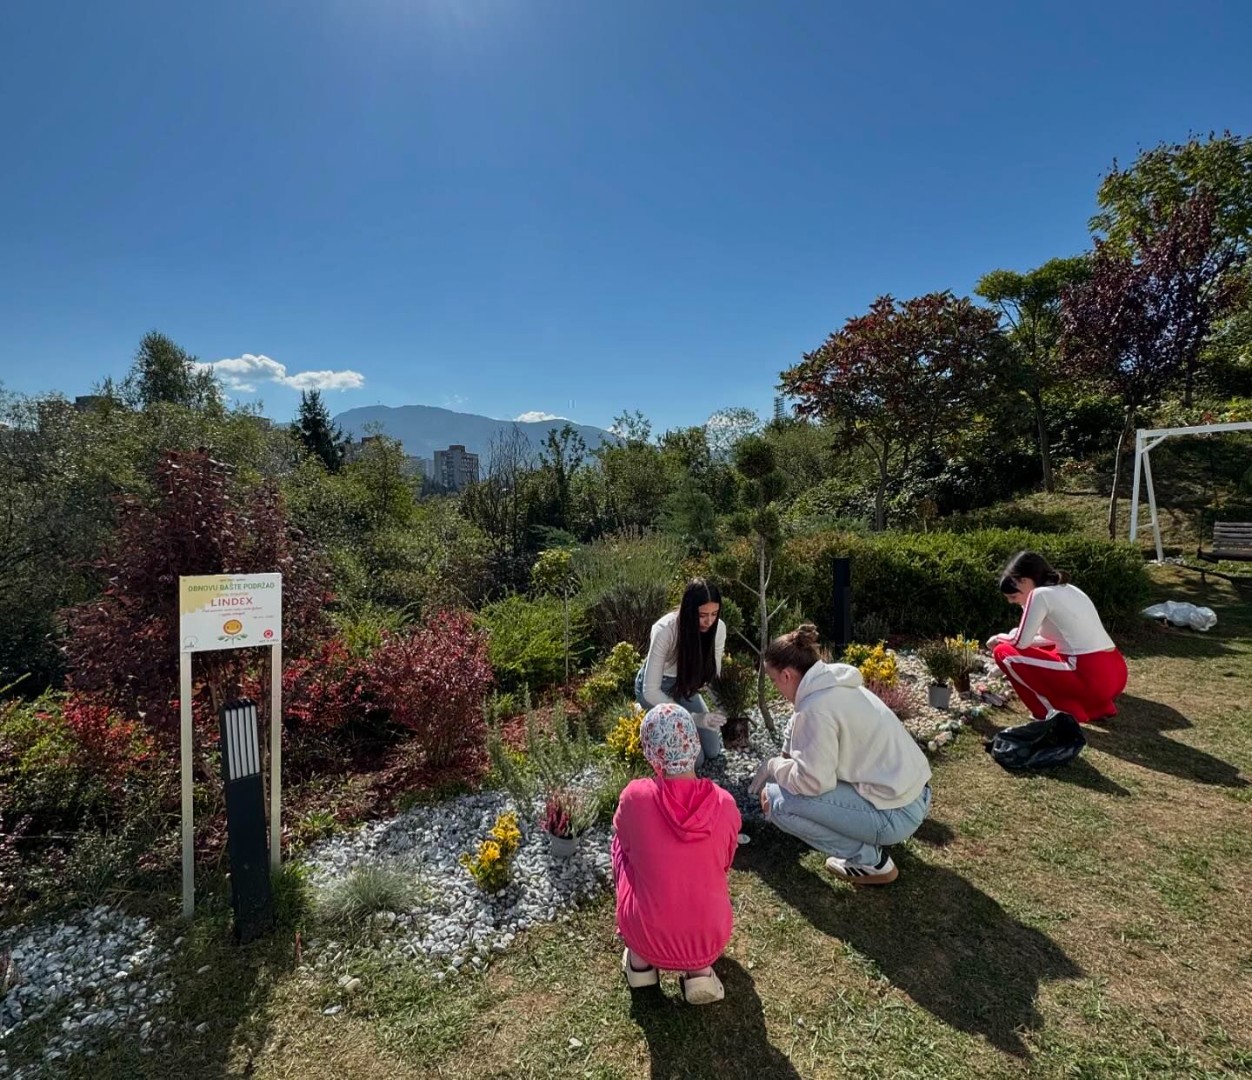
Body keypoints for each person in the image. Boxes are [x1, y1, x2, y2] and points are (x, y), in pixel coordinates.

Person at [747, 624, 932, 886]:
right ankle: (867, 838)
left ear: (786, 675)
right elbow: (800, 729)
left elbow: (813, 783)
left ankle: (869, 860)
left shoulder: (815, 710)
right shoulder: (835, 684)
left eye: (774, 680)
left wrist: (775, 766)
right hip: (913, 795)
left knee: (777, 802)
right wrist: (786, 755)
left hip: (897, 815)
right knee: (789, 785)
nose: (775, 687)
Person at [612, 703, 742, 1004]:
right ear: (694, 743)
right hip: (708, 935)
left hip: (646, 932)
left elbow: (626, 843)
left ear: (650, 752)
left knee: (620, 844)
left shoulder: (636, 796)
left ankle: (640, 964)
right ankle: (700, 971)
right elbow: (724, 862)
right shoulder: (724, 804)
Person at [986, 550, 1128, 724]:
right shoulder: (1069, 589)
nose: (1012, 600)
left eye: (1015, 587)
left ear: (1024, 580)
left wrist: (999, 638)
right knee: (1045, 648)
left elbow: (1020, 642)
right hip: (1115, 671)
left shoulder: (1039, 595)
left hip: (1089, 675)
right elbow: (1054, 638)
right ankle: (1096, 707)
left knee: (1003, 652)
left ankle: (1048, 712)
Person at [635, 578, 728, 764]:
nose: (709, 621)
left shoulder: (719, 629)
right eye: (702, 615)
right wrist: (694, 718)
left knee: (713, 750)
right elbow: (651, 690)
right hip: (656, 688)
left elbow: (713, 675)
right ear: (688, 611)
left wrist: (724, 707)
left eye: (714, 614)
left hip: (686, 686)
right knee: (696, 760)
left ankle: (675, 714)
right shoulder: (665, 630)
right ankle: (646, 713)